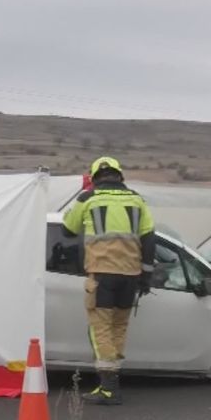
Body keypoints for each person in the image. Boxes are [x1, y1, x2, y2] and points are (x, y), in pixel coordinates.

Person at [62, 156, 156, 405]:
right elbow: (149, 239)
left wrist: (83, 203)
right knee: (119, 328)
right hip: (130, 276)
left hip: (102, 275)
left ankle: (109, 388)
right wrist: (146, 275)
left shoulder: (88, 198)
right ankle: (112, 382)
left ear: (94, 178)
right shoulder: (137, 200)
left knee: (100, 329)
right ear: (119, 175)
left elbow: (67, 230)